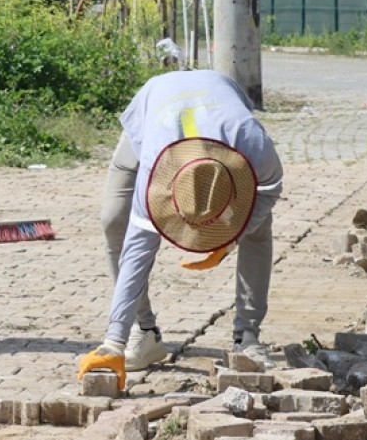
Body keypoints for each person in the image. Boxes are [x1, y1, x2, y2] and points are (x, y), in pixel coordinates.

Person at [77, 68, 284, 389]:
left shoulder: (252, 143)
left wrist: (232, 239)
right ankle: (144, 332)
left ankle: (248, 336)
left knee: (257, 224)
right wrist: (113, 342)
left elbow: (270, 188)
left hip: (218, 99)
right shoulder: (152, 169)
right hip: (155, 109)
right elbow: (137, 250)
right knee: (115, 220)